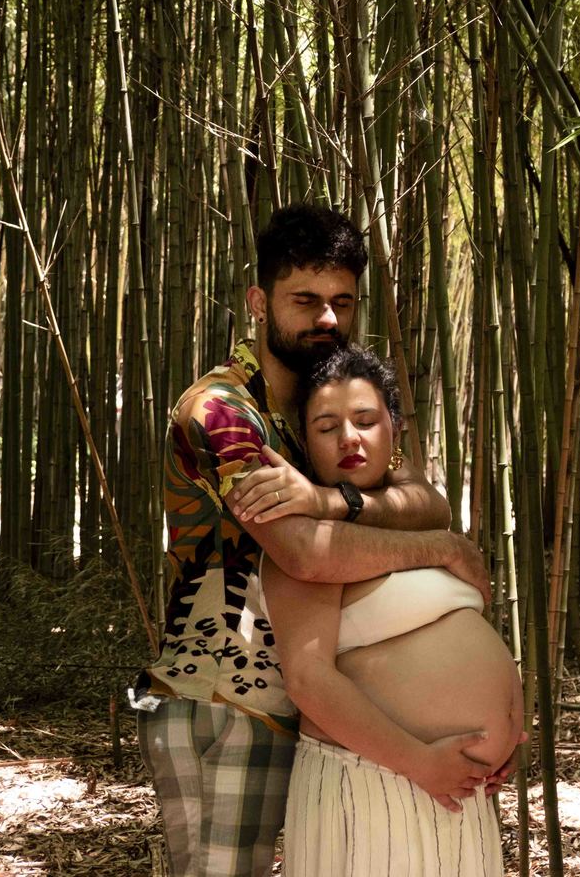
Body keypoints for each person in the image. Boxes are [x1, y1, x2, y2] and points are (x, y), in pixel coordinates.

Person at [132, 202, 491, 877]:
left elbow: (427, 499)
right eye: (305, 300)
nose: (327, 318)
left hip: (304, 712)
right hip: (227, 701)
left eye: (341, 303)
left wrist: (333, 498)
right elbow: (301, 553)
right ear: (259, 302)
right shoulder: (221, 412)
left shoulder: (328, 403)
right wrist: (440, 548)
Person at [259, 342, 524, 877]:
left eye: (365, 421)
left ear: (395, 431)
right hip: (376, 781)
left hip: (455, 789)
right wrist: (419, 761)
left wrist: (508, 735)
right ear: (305, 442)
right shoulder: (309, 540)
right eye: (327, 427)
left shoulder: (417, 518)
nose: (349, 438)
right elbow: (308, 680)